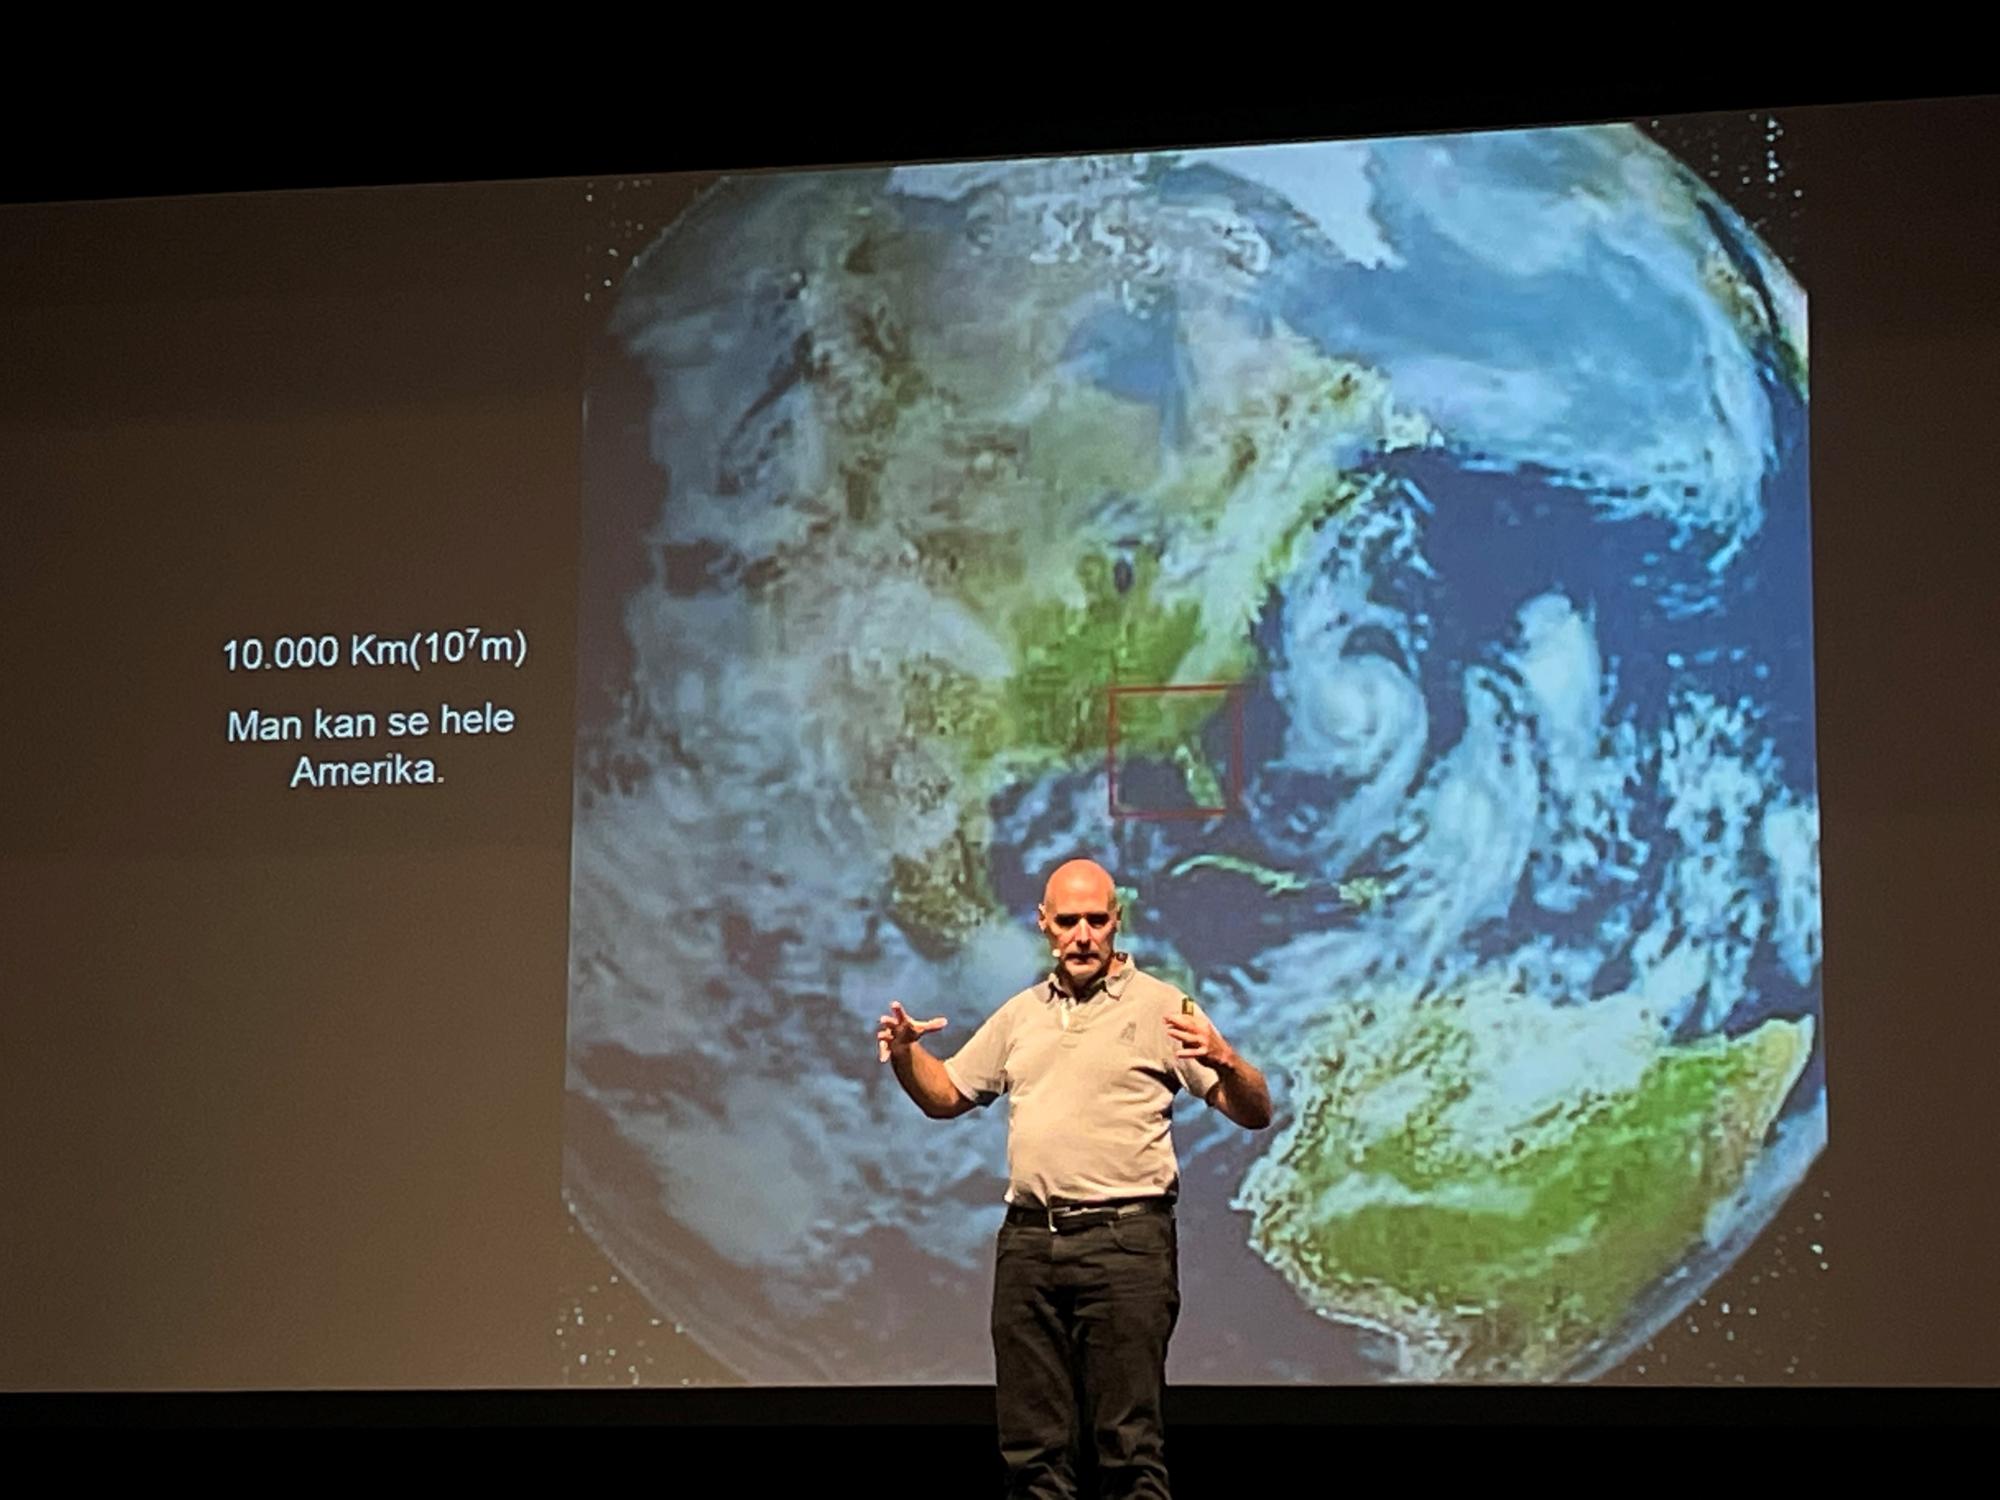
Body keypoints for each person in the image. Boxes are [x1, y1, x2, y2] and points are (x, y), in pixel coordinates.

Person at [877, 857, 1273, 1498]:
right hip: (1031, 1247)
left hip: (1126, 1246)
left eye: (1096, 920)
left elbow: (1253, 1113)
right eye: (1068, 921)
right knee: (1033, 1460)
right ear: (1044, 925)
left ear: (1117, 921)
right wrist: (904, 1053)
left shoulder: (1162, 1008)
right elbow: (946, 1093)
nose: (1083, 935)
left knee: (1129, 1455)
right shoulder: (1021, 1014)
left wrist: (1227, 1060)